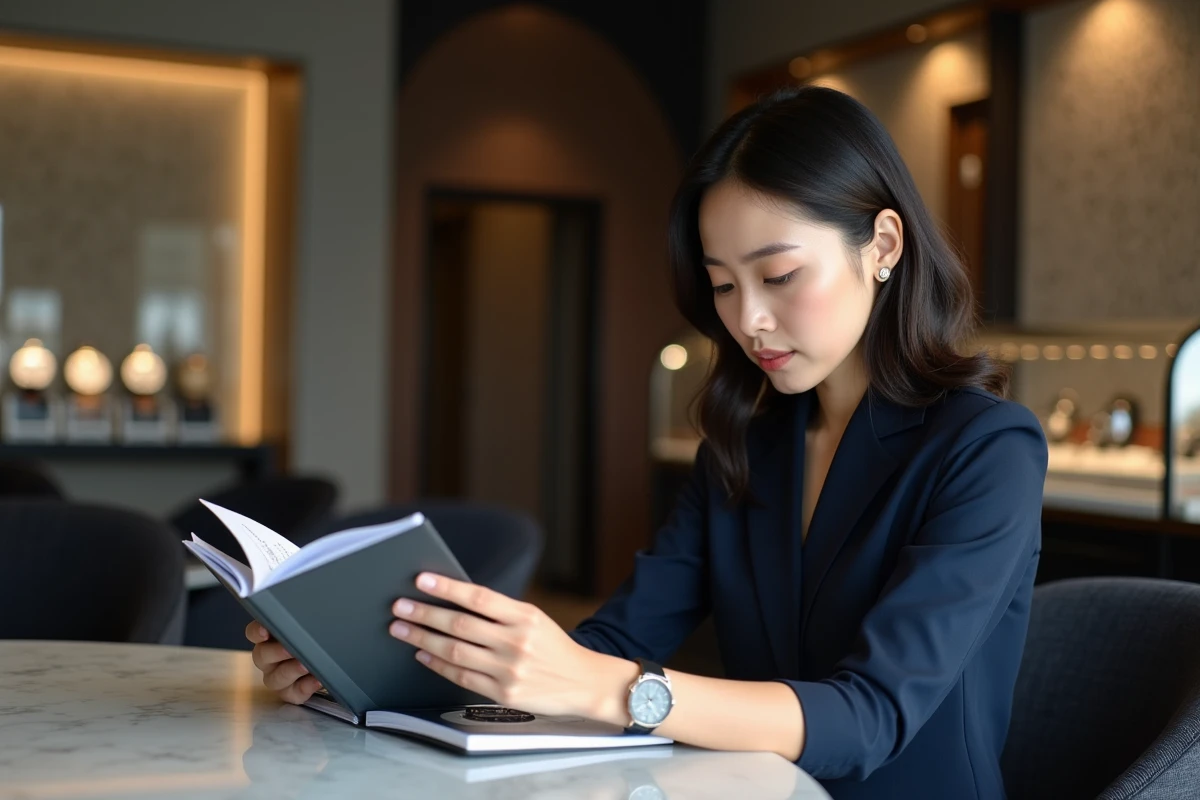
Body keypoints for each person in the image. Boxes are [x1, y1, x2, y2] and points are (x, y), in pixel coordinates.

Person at [247, 86, 1046, 799]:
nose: (747, 320)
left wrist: (611, 689)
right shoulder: (748, 442)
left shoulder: (987, 449)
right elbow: (615, 643)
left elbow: (869, 715)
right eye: (724, 284)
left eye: (778, 276)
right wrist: (367, 673)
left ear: (882, 246)